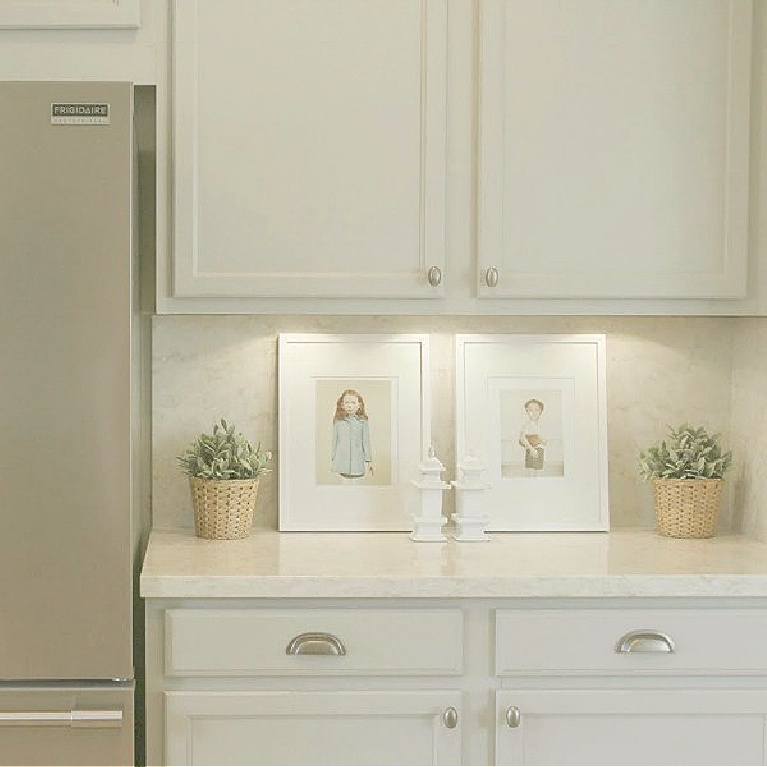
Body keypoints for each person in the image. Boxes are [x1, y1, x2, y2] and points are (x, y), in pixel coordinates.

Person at [331, 389, 373, 479]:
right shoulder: (338, 421)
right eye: (347, 403)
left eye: (353, 403)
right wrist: (332, 457)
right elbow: (334, 440)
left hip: (357, 462)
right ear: (342, 405)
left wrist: (368, 460)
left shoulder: (363, 421)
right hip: (341, 462)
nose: (350, 406)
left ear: (359, 405)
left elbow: (366, 442)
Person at [518, 398, 546, 475]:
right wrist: (531, 448)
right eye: (531, 410)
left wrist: (543, 440)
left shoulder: (540, 426)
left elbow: (543, 440)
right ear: (527, 411)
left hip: (540, 451)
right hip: (531, 450)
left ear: (540, 411)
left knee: (538, 473)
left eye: (537, 410)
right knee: (531, 473)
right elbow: (522, 438)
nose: (534, 412)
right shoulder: (527, 425)